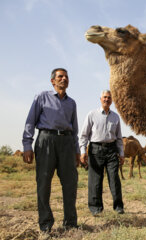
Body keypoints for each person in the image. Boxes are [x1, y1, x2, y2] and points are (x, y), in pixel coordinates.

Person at [22, 68, 80, 232]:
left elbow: (74, 129)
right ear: (52, 81)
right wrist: (27, 145)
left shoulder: (72, 103)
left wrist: (77, 150)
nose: (64, 79)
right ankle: (46, 225)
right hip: (46, 140)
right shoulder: (42, 97)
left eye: (66, 76)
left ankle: (70, 224)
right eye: (60, 76)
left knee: (70, 183)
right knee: (44, 183)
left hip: (67, 143)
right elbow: (30, 122)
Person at [79, 90, 125, 216]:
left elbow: (119, 138)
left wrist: (121, 153)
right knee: (95, 180)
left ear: (112, 100)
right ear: (100, 99)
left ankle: (118, 207)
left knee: (114, 179)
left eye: (109, 98)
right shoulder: (92, 114)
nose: (107, 99)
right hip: (95, 149)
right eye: (104, 97)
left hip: (111, 150)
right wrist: (83, 151)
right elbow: (84, 135)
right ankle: (96, 209)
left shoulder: (115, 117)